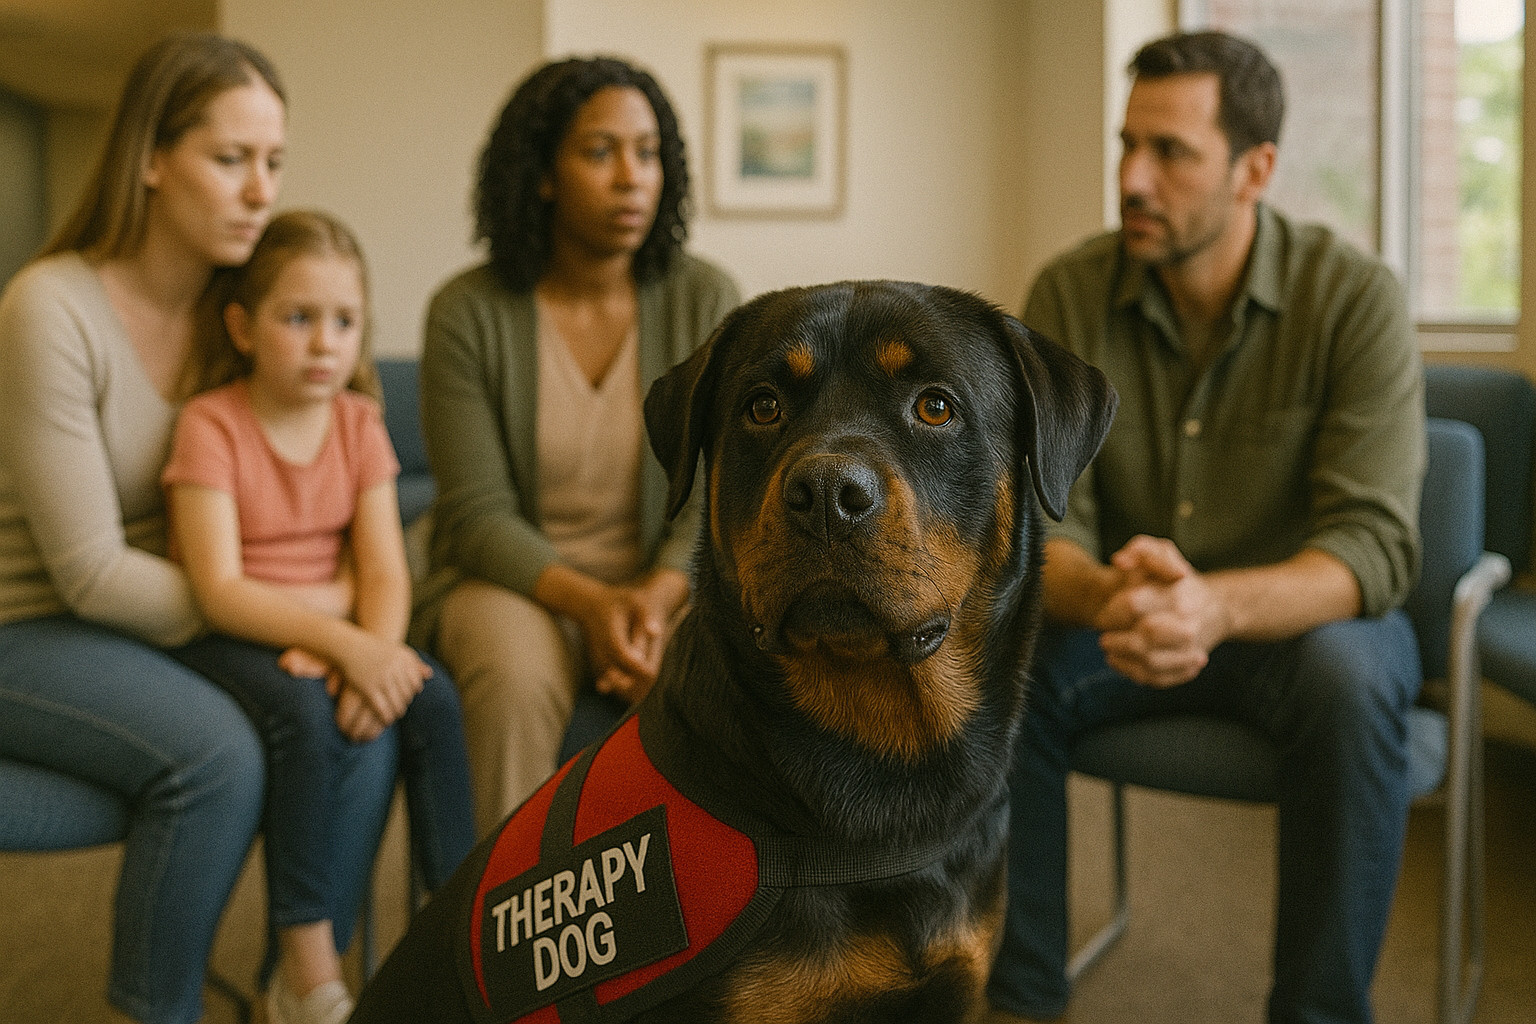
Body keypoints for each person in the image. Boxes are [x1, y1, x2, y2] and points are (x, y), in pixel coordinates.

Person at [987, 30, 1425, 1024]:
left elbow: (1375, 546)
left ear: (1254, 170)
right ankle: (1019, 1000)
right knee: (997, 654)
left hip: (1298, 630)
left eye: (1171, 152)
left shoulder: (1351, 297)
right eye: (1125, 144)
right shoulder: (1067, 292)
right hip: (1123, 617)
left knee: (1358, 677)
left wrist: (1214, 606)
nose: (1132, 178)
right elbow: (1040, 528)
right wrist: (1111, 591)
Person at [0, 33, 393, 1024]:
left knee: (358, 713)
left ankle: (296, 983)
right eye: (231, 160)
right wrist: (314, 612)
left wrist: (329, 626)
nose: (259, 191)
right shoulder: (49, 309)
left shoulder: (247, 311)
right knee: (219, 753)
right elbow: (88, 572)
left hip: (180, 609)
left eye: (274, 163)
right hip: (33, 622)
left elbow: (345, 460)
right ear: (150, 159)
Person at [411, 56, 741, 835]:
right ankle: (506, 924)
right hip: (516, 583)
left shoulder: (706, 298)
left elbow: (721, 489)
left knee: (725, 662)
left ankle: (709, 933)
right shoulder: (466, 311)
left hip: (666, 583)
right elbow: (475, 514)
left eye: (648, 152)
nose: (631, 177)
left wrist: (655, 598)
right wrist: (594, 606)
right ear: (543, 173)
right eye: (599, 152)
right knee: (516, 673)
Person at [163, 210, 477, 1024]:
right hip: (234, 637)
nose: (324, 343)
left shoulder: (358, 423)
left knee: (433, 699)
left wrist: (376, 657)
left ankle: (461, 926)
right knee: (306, 720)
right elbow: (219, 590)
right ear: (242, 326)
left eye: (344, 322)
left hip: (336, 641)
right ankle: (302, 971)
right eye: (298, 319)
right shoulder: (211, 425)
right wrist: (345, 645)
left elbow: (383, 568)